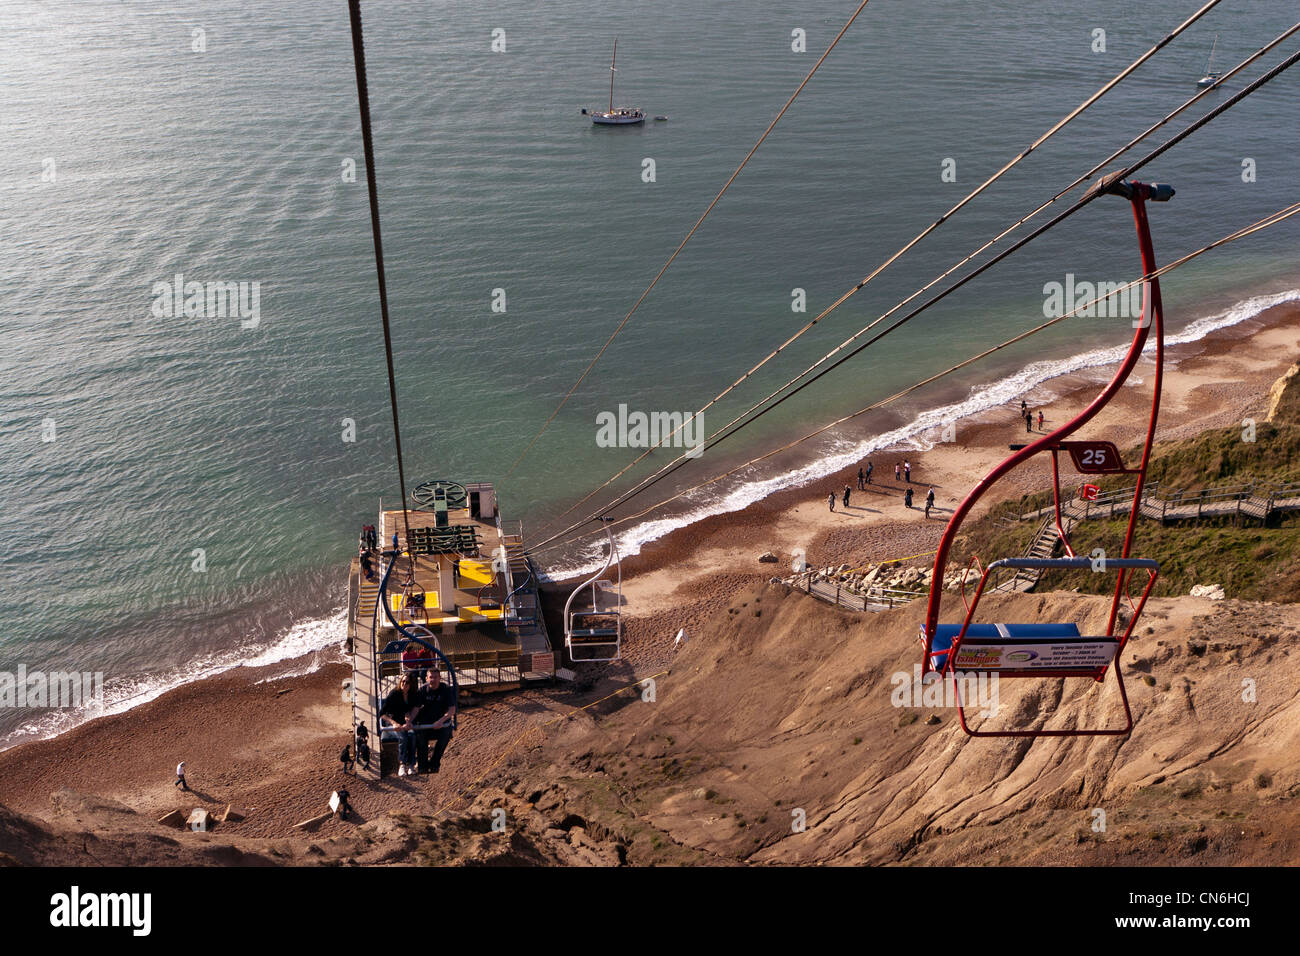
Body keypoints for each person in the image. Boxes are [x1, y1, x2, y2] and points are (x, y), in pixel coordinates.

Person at [380, 674, 423, 777]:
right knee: (403, 737)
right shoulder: (394, 694)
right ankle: (402, 764)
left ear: (411, 684)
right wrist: (394, 723)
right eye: (403, 681)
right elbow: (382, 714)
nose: (404, 684)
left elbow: (416, 708)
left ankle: (411, 764)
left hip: (407, 722)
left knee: (412, 736)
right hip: (394, 721)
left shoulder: (413, 695)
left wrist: (409, 721)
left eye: (407, 682)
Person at [417, 668, 456, 774]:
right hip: (425, 722)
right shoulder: (422, 691)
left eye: (435, 677)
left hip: (440, 722)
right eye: (431, 677)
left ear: (440, 678)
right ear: (426, 678)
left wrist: (441, 721)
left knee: (446, 734)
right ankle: (422, 765)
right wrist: (410, 720)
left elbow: (452, 709)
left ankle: (435, 763)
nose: (433, 680)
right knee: (420, 738)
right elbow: (415, 708)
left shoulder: (445, 689)